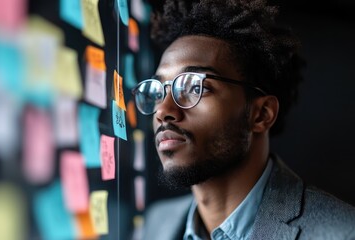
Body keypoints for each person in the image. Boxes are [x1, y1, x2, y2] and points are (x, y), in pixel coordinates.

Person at [131, 0, 355, 239]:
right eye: (158, 92)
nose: (163, 110)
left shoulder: (343, 232)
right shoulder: (154, 226)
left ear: (261, 114)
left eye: (195, 87)